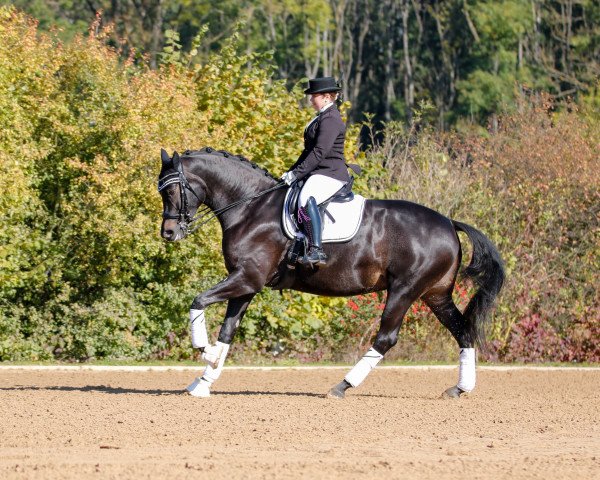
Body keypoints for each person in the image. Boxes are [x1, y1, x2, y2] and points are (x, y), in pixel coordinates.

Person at [281, 77, 351, 267]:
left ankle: (316, 250)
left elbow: (319, 152)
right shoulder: (322, 117)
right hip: (318, 171)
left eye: (314, 96)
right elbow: (307, 151)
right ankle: (299, 240)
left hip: (330, 173)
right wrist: (291, 172)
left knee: (306, 198)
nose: (311, 100)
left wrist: (297, 174)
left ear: (327, 97)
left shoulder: (331, 119)